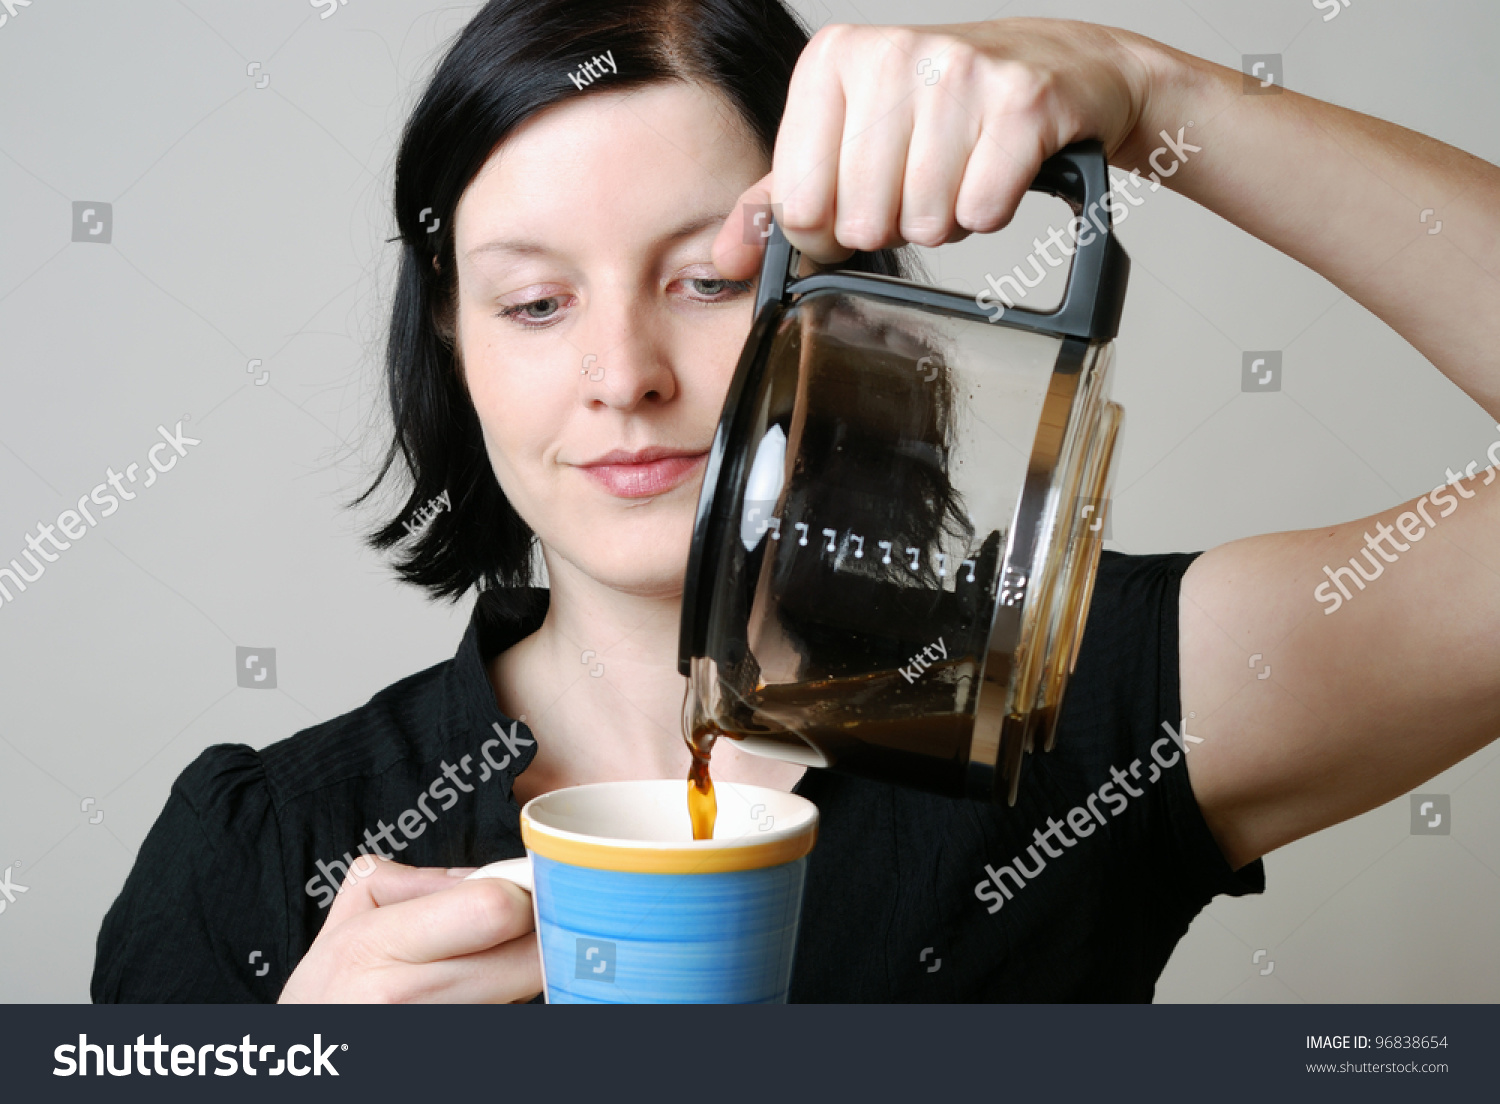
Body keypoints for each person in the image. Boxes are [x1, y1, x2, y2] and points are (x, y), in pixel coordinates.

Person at [92, 0, 1500, 1003]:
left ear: (851, 303)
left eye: (708, 280)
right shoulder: (261, 850)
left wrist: (1156, 94)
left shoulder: (1081, 695)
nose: (624, 376)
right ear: (454, 344)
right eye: (535, 300)